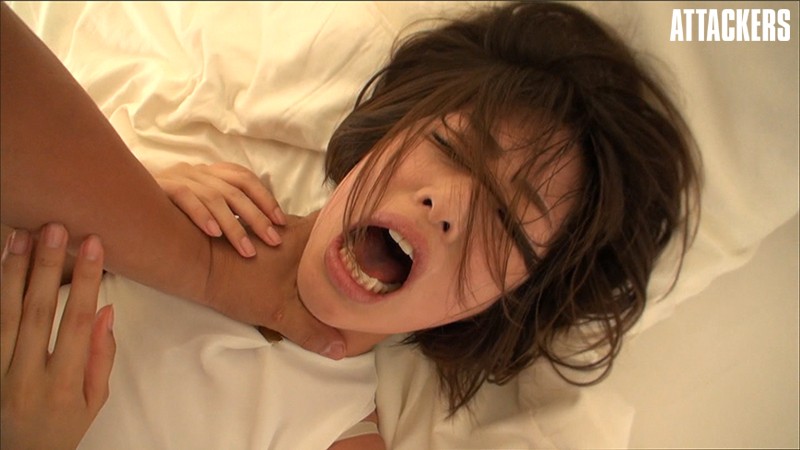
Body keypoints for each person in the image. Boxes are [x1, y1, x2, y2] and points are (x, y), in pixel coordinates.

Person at [0, 1, 701, 448]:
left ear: (501, 306)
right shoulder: (188, 190)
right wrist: (126, 197)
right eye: (451, 148)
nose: (448, 205)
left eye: (507, 227)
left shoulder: (337, 430)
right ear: (384, 132)